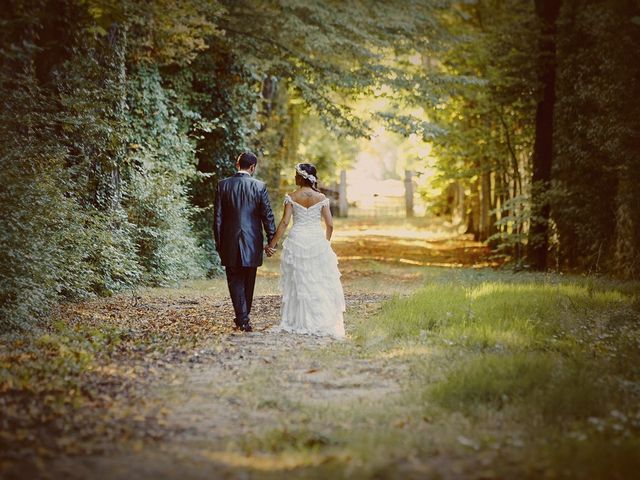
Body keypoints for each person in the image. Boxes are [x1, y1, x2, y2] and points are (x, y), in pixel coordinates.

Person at [266, 163, 346, 338]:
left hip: (297, 240)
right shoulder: (321, 197)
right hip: (317, 241)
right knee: (317, 280)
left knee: (298, 281)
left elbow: (285, 223)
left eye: (296, 175)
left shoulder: (292, 197)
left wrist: (272, 244)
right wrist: (326, 243)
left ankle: (298, 320)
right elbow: (330, 224)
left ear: (302, 178)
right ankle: (320, 319)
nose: (294, 178)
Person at [214, 152, 276, 332]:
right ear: (252, 167)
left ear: (237, 164)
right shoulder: (259, 186)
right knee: (249, 280)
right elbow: (267, 215)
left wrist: (219, 244)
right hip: (253, 241)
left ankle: (242, 318)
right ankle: (243, 318)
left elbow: (217, 218)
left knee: (234, 280)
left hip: (229, 241)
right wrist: (271, 239)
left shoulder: (223, 185)